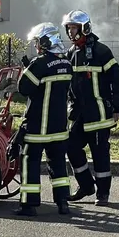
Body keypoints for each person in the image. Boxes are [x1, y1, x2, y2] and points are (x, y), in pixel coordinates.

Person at [62, 10, 119, 206]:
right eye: (69, 28)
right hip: (80, 114)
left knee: (100, 154)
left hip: (99, 114)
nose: (71, 32)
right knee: (71, 147)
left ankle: (103, 193)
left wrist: (117, 107)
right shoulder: (71, 53)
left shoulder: (101, 52)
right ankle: (87, 186)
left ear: (85, 28)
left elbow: (117, 79)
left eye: (74, 28)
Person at [14, 22, 73, 217]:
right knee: (57, 164)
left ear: (46, 43)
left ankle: (28, 206)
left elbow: (24, 89)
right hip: (59, 128)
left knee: (29, 162)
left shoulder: (38, 64)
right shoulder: (66, 64)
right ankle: (63, 202)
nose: (37, 47)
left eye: (38, 43)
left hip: (38, 127)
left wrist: (27, 69)